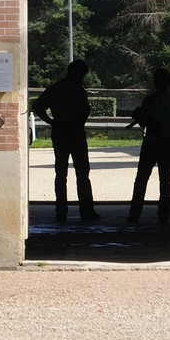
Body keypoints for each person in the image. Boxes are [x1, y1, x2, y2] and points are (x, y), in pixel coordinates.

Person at [32, 58, 98, 224]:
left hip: (60, 130)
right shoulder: (78, 91)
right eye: (82, 75)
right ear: (76, 73)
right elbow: (84, 111)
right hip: (75, 131)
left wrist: (51, 121)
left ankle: (61, 210)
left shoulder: (56, 88)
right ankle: (86, 211)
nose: (82, 78)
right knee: (82, 172)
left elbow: (38, 105)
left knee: (61, 173)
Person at [127, 67, 170, 228]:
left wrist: (138, 115)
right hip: (168, 141)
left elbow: (143, 121)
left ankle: (134, 213)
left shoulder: (150, 100)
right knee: (165, 179)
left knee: (141, 178)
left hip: (152, 141)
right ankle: (163, 215)